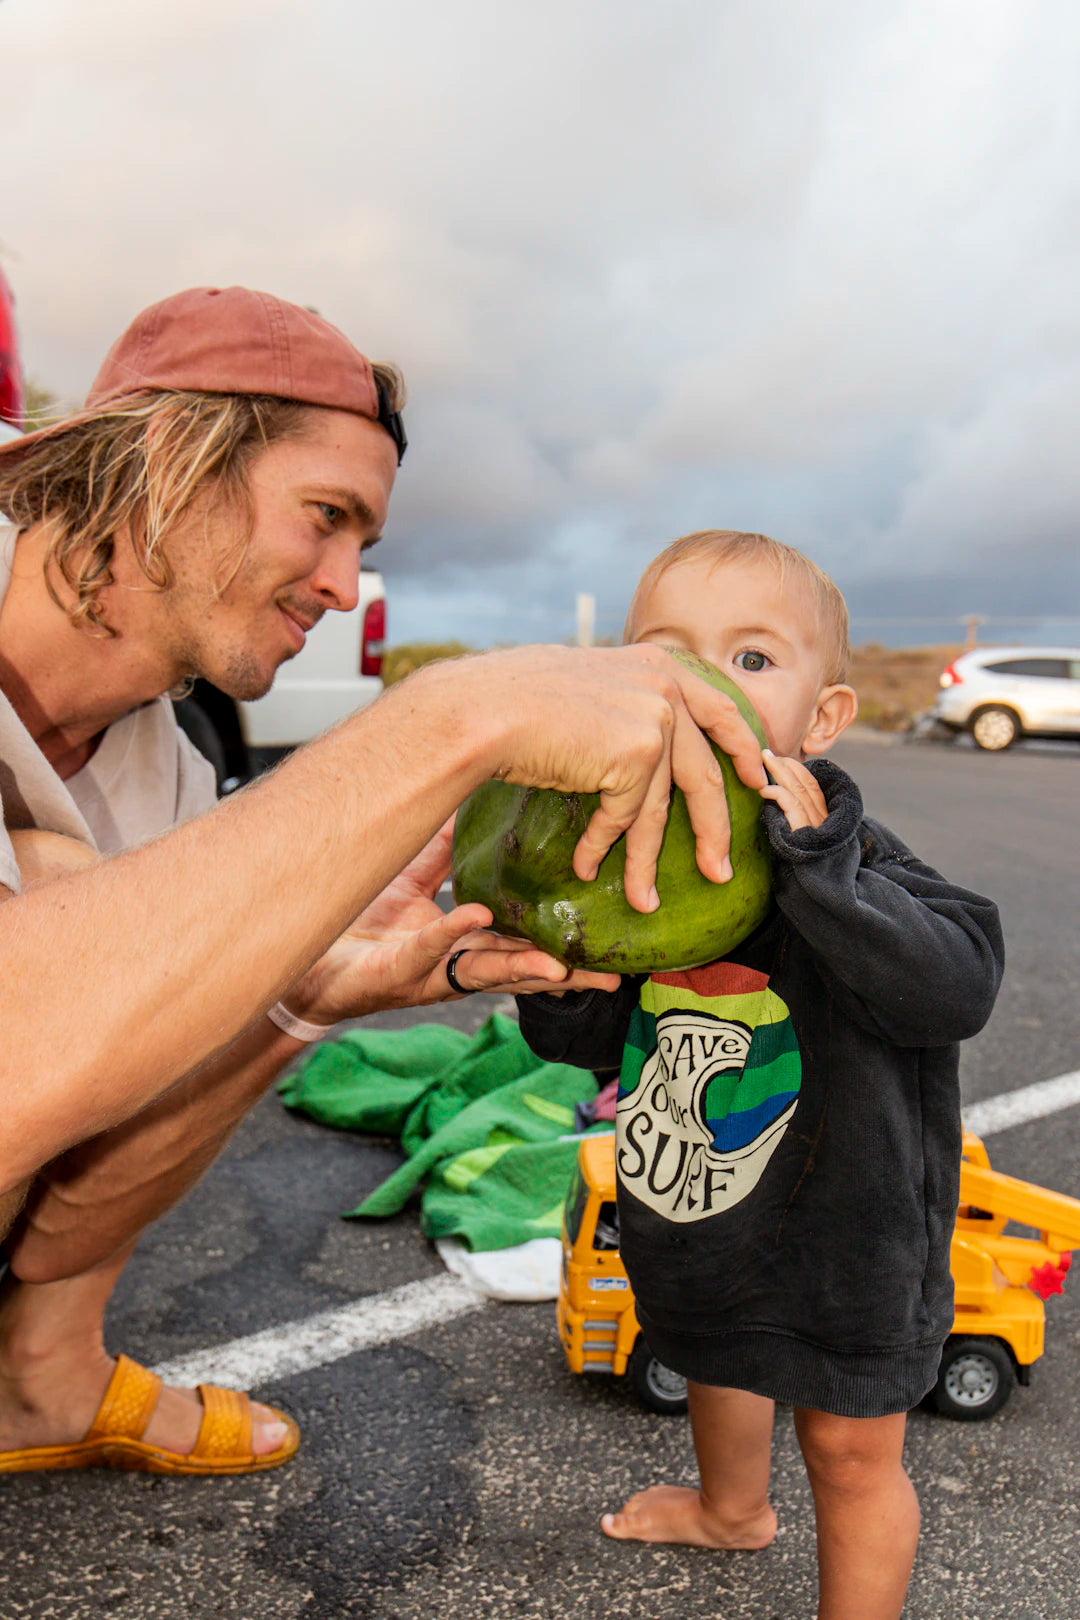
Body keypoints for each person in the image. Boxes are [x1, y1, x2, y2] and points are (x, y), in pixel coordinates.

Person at [0, 289, 771, 1477]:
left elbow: (65, 1182)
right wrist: (451, 719)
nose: (345, 585)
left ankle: (41, 1382)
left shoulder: (161, 771)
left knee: (180, 957)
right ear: (171, 458)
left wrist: (304, 998)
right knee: (75, 908)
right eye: (325, 516)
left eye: (364, 543)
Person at [517, 530, 1004, 1620]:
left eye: (749, 659)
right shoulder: (640, 851)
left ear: (822, 720)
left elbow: (956, 985)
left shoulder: (855, 856)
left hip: (852, 1231)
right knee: (715, 1358)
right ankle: (730, 1510)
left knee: (849, 1451)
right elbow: (581, 1048)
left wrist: (822, 866)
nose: (701, 681)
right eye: (668, 651)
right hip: (707, 1205)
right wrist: (561, 977)